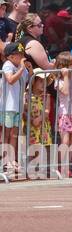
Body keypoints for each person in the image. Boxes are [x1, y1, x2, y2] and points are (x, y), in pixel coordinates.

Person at [53, 50, 72, 178]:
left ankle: (68, 166)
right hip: (65, 113)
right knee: (65, 140)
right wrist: (65, 76)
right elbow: (65, 91)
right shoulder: (59, 81)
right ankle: (61, 166)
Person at [2, 43, 27, 177]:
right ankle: (5, 160)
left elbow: (27, 79)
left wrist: (26, 68)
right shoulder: (8, 65)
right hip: (8, 106)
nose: (22, 57)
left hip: (17, 106)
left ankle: (12, 159)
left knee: (14, 134)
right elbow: (10, 79)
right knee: (6, 133)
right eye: (20, 55)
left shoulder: (19, 67)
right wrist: (22, 68)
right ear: (11, 56)